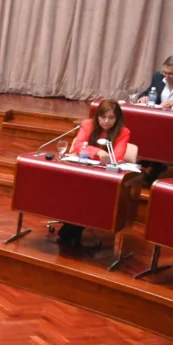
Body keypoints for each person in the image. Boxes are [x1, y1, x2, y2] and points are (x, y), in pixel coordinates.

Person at [57, 100, 131, 247]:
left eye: (111, 118)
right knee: (76, 191)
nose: (106, 121)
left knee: (87, 195)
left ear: (117, 119)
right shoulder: (87, 124)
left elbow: (117, 157)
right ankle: (73, 229)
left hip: (105, 176)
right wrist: (98, 151)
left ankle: (70, 229)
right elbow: (78, 146)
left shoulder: (123, 132)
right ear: (97, 117)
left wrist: (97, 153)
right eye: (103, 117)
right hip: (82, 171)